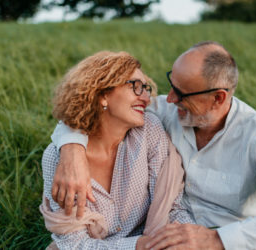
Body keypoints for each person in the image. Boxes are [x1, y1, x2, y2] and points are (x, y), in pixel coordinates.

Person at [50, 42, 256, 249]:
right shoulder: (162, 113)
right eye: (171, 84)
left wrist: (217, 239)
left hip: (234, 242)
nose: (168, 99)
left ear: (218, 98)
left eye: (182, 93)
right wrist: (72, 148)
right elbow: (91, 111)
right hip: (169, 236)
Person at [41, 51, 194, 249]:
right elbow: (74, 243)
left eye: (146, 88)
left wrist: (189, 238)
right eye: (136, 87)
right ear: (103, 94)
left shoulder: (149, 131)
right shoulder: (58, 158)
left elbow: (172, 208)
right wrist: (139, 246)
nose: (147, 98)